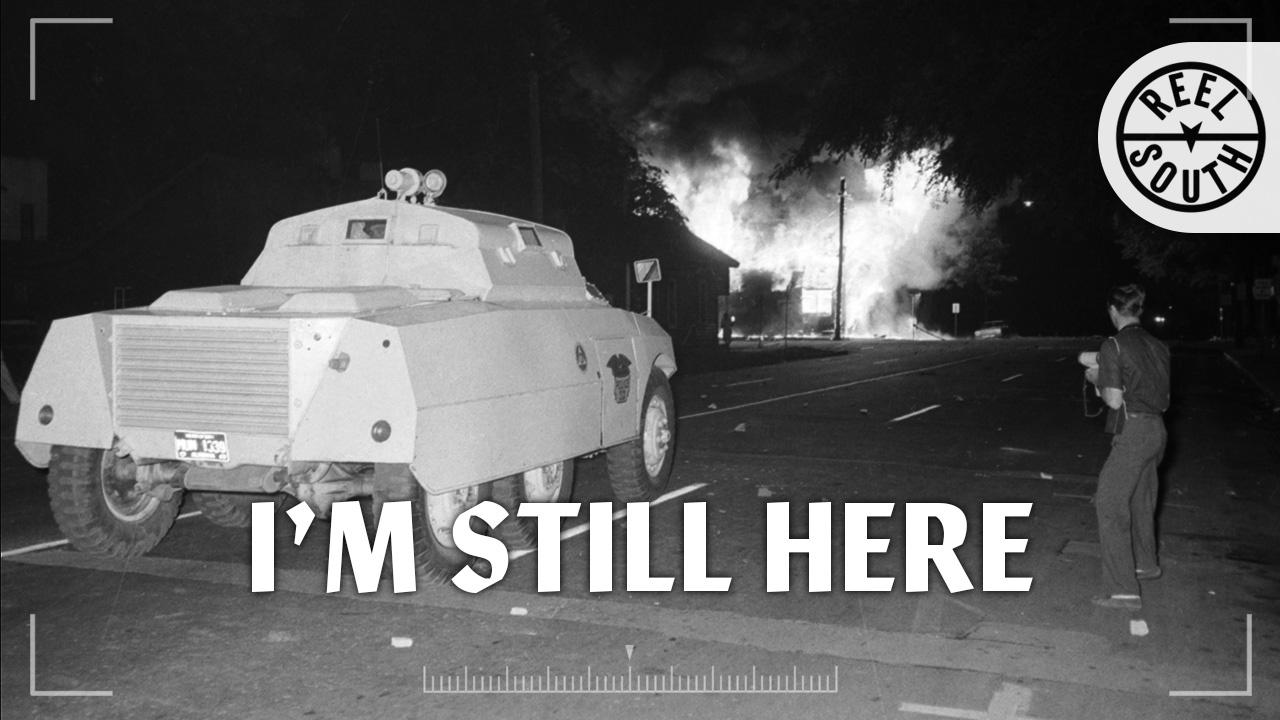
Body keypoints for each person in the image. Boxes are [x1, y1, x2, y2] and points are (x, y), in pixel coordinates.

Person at [1085, 284, 1170, 610]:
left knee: (1109, 502)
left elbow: (1113, 399)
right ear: (1139, 310)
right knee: (1141, 499)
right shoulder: (1158, 345)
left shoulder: (1114, 345)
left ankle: (1123, 591)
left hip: (1133, 432)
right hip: (1157, 429)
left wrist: (1096, 378)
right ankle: (1146, 565)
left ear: (1112, 310)